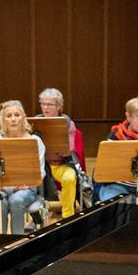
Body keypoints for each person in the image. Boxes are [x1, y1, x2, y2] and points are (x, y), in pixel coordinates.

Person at [0, 100, 44, 235]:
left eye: (17, 115)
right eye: (9, 116)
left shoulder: (35, 141)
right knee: (0, 200)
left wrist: (26, 184)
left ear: (23, 117)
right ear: (3, 120)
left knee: (16, 200)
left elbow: (40, 172)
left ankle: (16, 243)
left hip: (26, 188)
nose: (13, 119)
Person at [38, 87, 87, 219]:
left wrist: (63, 150)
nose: (45, 107)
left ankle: (68, 216)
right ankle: (37, 216)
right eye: (43, 104)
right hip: (41, 165)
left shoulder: (67, 122)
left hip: (62, 164)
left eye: (49, 104)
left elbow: (70, 148)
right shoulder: (36, 121)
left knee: (70, 178)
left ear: (59, 106)